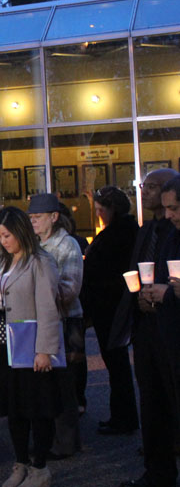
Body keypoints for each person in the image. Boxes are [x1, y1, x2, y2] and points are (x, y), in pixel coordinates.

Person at [0, 206, 62, 487]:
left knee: (36, 407)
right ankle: (21, 463)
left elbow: (49, 308)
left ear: (21, 232)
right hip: (1, 341)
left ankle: (40, 468)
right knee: (13, 407)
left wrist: (45, 350)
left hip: (29, 343)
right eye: (0, 236)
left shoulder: (40, 262)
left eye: (7, 235)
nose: (3, 241)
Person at [119, 172, 180, 487]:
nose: (145, 192)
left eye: (152, 187)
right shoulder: (148, 230)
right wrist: (139, 297)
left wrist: (165, 295)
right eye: (145, 187)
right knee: (152, 398)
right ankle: (158, 472)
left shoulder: (172, 232)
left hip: (172, 326)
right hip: (147, 325)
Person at [27, 194, 84, 460]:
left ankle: (66, 442)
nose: (33, 222)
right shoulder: (34, 244)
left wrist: (36, 292)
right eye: (31, 218)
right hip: (42, 319)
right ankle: (49, 438)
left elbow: (70, 289)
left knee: (64, 383)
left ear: (54, 217)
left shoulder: (67, 245)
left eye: (37, 217)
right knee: (44, 383)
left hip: (66, 319)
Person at [81, 185, 140, 435]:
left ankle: (123, 417)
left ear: (111, 209)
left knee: (116, 364)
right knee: (117, 364)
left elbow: (107, 270)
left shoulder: (117, 235)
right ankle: (122, 415)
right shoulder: (124, 231)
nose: (98, 215)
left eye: (100, 210)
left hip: (110, 305)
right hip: (110, 304)